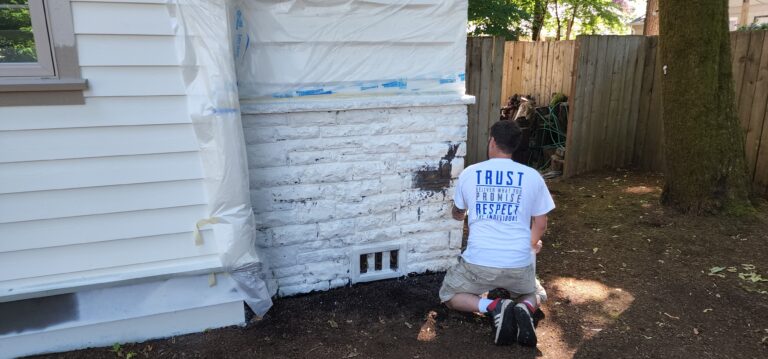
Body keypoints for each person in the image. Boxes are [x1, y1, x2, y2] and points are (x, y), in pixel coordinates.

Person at [440, 119, 555, 347]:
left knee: (449, 295)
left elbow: (458, 213)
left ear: (492, 141)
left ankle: (493, 307)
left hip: (479, 264)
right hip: (518, 263)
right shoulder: (533, 176)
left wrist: (459, 213)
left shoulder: (470, 173)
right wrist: (531, 244)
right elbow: (541, 222)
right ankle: (525, 307)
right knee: (536, 293)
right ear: (515, 145)